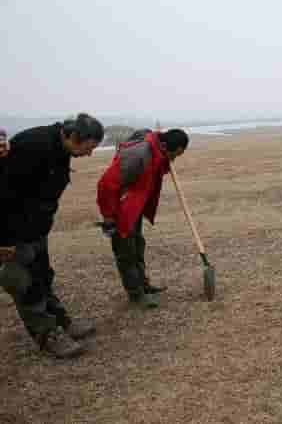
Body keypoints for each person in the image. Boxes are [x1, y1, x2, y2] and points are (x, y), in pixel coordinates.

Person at [0, 113, 104, 358]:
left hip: (36, 229)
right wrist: (4, 241)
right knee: (24, 284)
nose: (89, 154)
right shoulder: (32, 146)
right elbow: (4, 195)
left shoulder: (61, 147)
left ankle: (61, 321)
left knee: (43, 277)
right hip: (13, 232)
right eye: (88, 148)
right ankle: (47, 334)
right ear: (74, 136)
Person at [96, 128, 189, 308]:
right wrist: (108, 217)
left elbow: (151, 171)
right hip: (121, 210)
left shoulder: (156, 150)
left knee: (138, 245)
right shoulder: (139, 154)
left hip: (134, 207)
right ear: (166, 146)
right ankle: (136, 294)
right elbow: (106, 184)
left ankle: (142, 285)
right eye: (175, 154)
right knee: (126, 252)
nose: (174, 159)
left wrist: (165, 163)